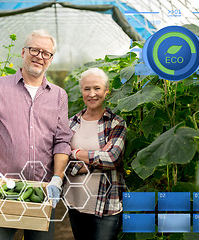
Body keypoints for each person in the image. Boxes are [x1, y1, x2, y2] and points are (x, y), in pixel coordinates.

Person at [0, 29, 72, 240]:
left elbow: (62, 140)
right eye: (35, 50)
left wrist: (57, 179)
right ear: (24, 52)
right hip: (2, 189)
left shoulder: (59, 96)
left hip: (41, 192)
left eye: (46, 53)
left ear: (51, 60)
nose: (40, 56)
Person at [64, 68, 127, 240]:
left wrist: (75, 153)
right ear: (81, 91)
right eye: (87, 89)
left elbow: (112, 158)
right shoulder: (70, 124)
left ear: (106, 91)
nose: (92, 94)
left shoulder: (116, 123)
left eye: (97, 88)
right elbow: (60, 160)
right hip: (75, 203)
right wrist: (96, 158)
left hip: (107, 206)